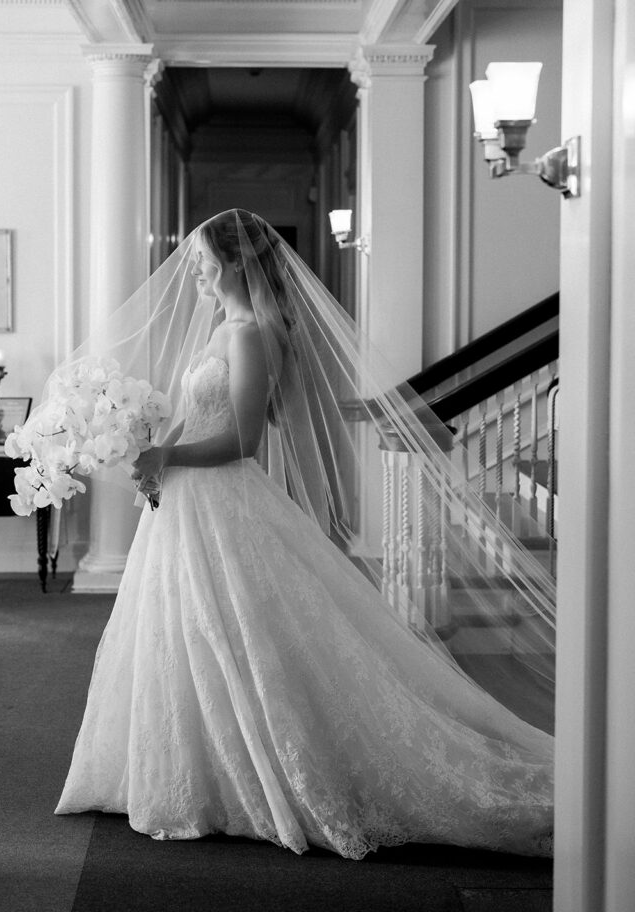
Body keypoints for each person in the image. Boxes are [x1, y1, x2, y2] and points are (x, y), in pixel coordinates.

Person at [54, 209, 554, 859]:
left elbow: (243, 439)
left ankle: (260, 768)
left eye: (205, 261)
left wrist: (169, 459)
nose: (196, 272)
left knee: (242, 632)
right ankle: (194, 767)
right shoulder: (221, 327)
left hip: (225, 500)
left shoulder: (257, 335)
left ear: (234, 262)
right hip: (183, 505)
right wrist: (158, 449)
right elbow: (194, 414)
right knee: (186, 633)